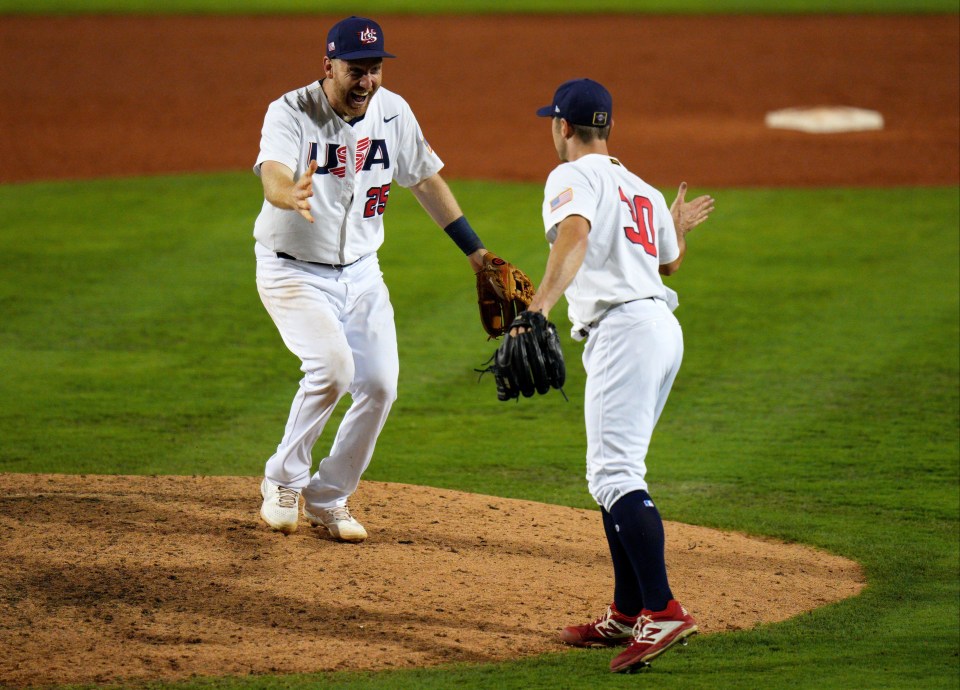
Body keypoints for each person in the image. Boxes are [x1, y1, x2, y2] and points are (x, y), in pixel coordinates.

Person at [252, 16, 495, 542]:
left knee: (381, 385)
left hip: (363, 275)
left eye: (375, 69)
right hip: (292, 270)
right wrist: (286, 193)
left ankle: (329, 496)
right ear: (329, 66)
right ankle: (283, 479)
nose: (366, 81)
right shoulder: (290, 111)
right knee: (333, 370)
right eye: (355, 70)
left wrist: (475, 252)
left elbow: (426, 180)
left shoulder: (394, 111)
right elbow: (272, 168)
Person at [526, 78, 714, 672]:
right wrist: (674, 225)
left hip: (625, 333)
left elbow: (575, 236)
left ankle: (662, 610)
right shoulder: (643, 188)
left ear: (562, 127)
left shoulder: (570, 176)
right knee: (611, 473)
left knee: (614, 474)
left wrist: (538, 311)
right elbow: (668, 262)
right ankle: (629, 610)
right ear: (606, 128)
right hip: (659, 329)